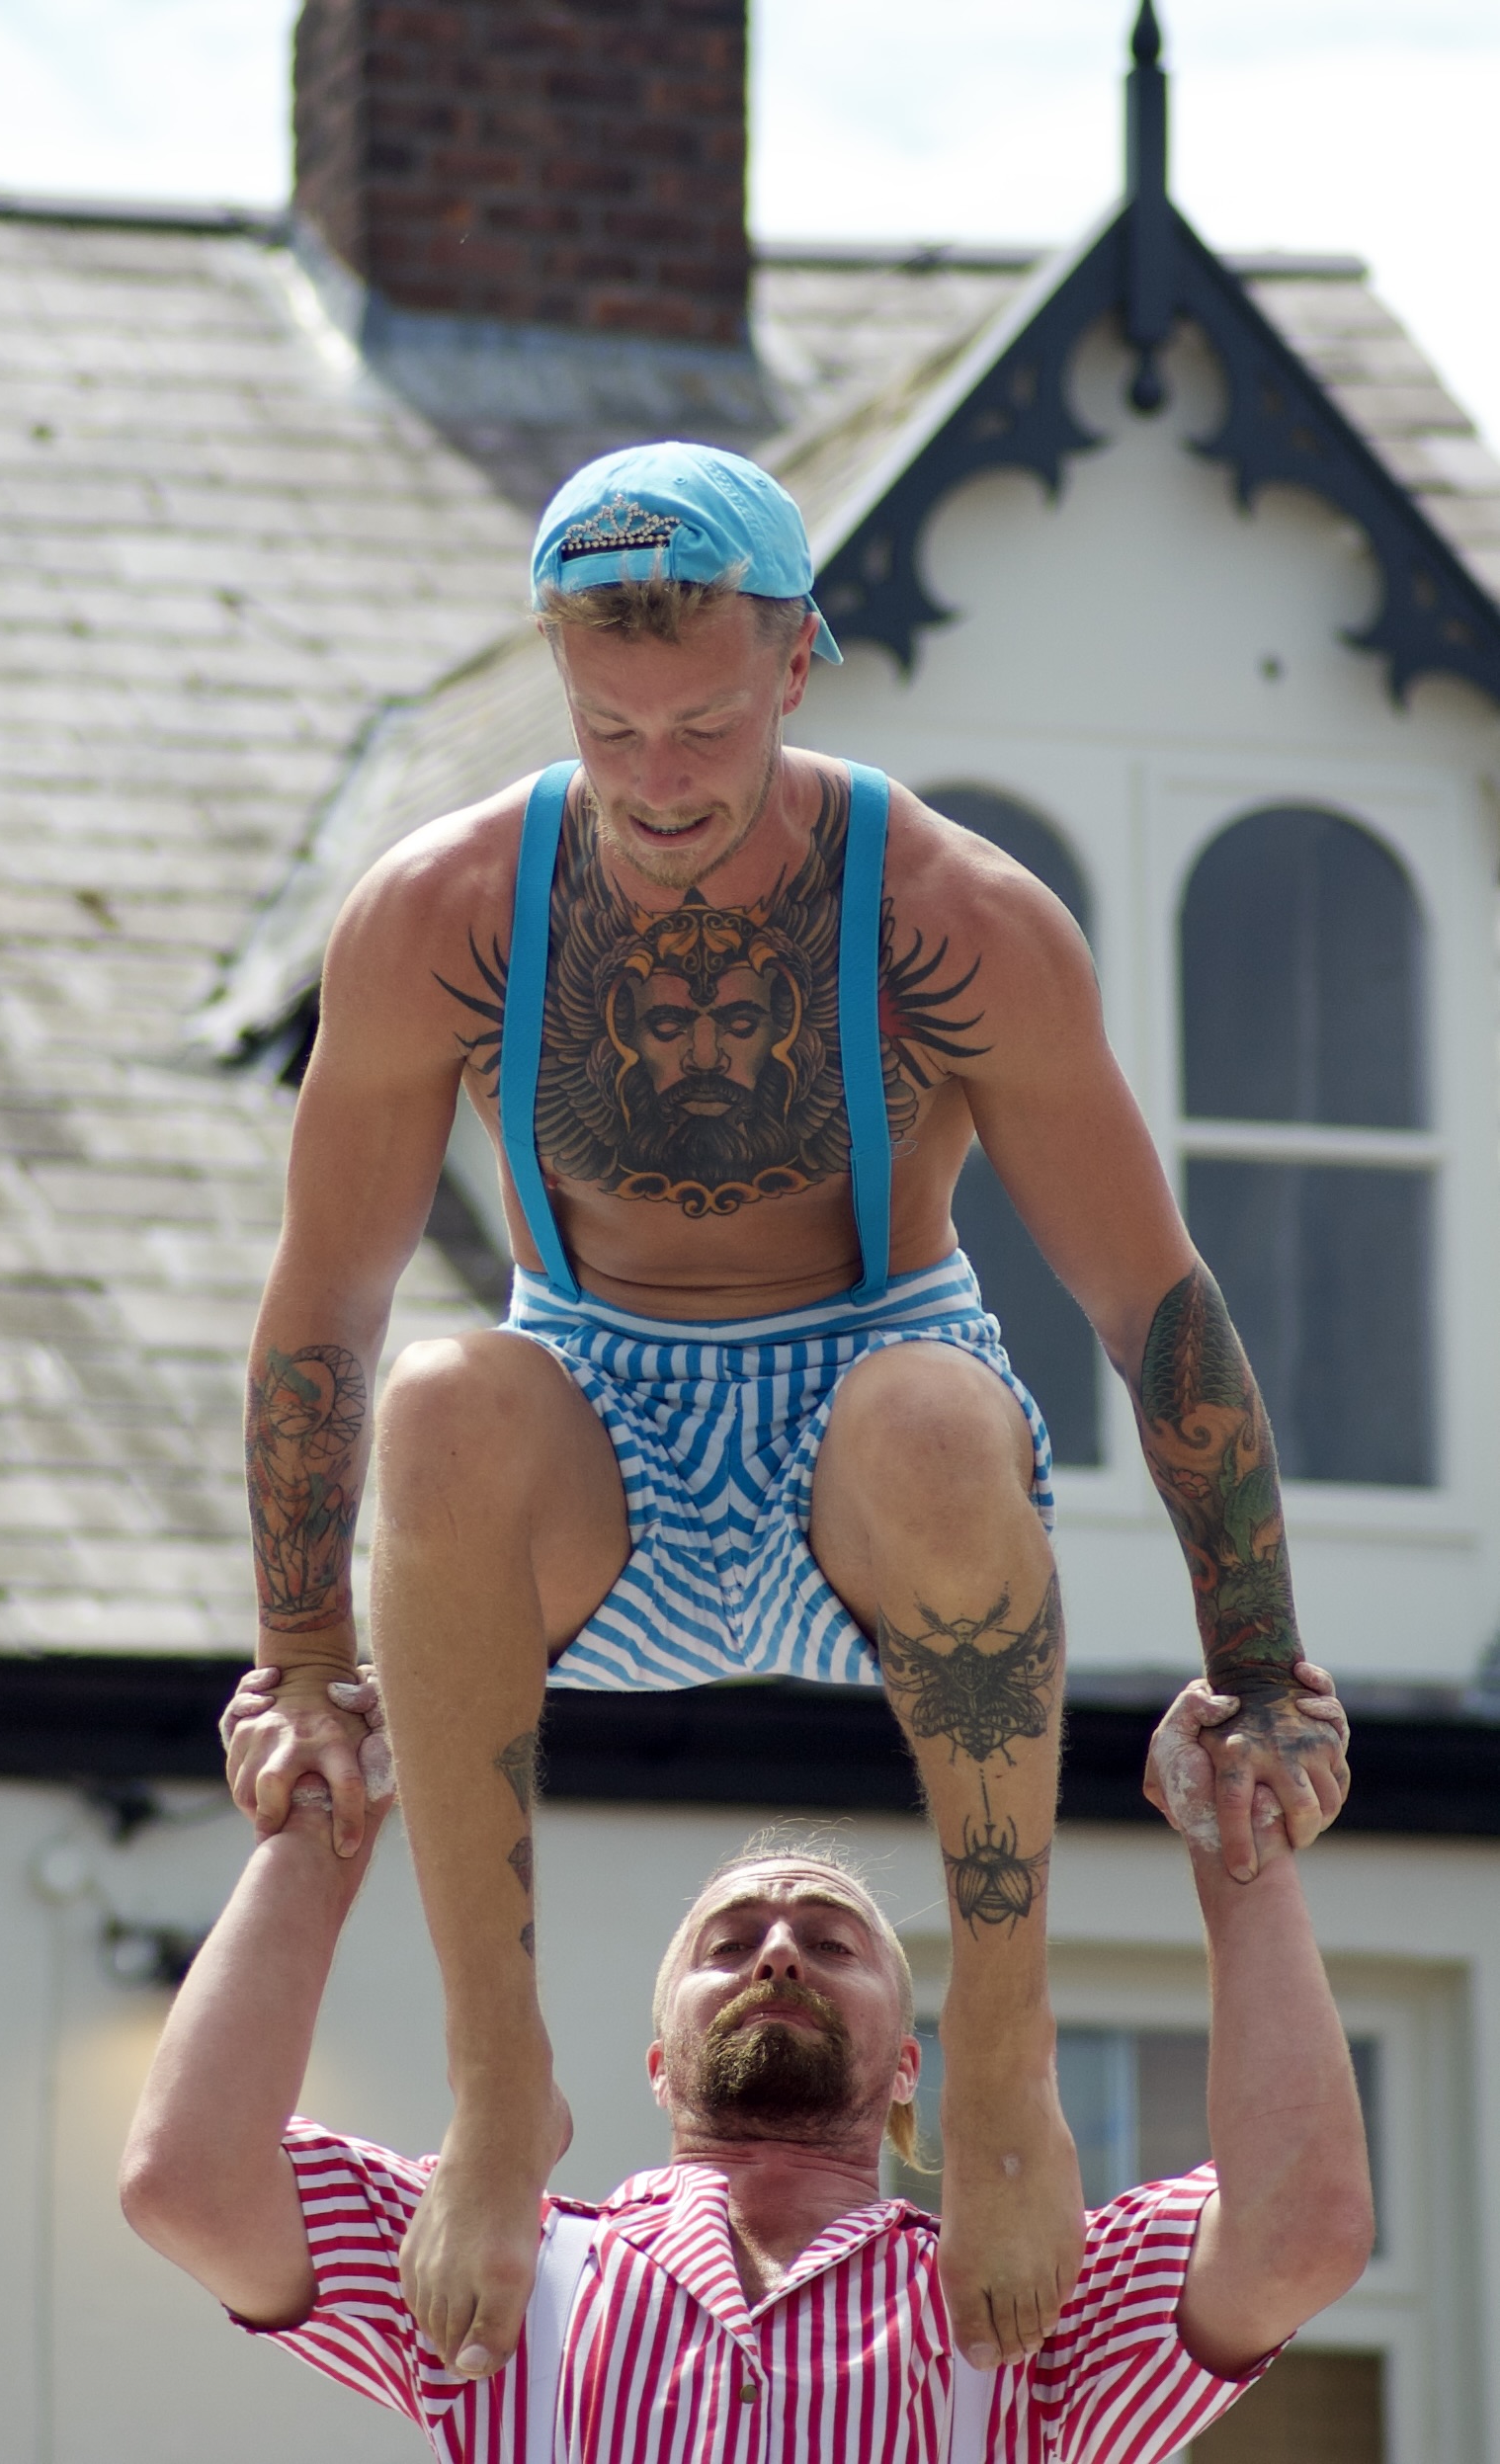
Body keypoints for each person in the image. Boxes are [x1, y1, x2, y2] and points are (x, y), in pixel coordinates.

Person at [223, 441, 1350, 2380]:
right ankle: (505, 2095)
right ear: (555, 685)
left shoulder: (953, 916)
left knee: (928, 1408)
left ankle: (993, 2077)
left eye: (701, 725)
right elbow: (320, 1303)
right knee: (435, 1390)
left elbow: (1147, 1295)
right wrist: (301, 1652)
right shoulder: (440, 916)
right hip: (596, 1444)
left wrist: (1260, 1660)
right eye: (609, 728)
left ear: (798, 662)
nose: (657, 778)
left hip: (872, 1439)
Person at [125, 1669, 1371, 2464]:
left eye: (829, 1942)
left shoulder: (1016, 2298)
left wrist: (1237, 1853)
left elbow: (1296, 2230)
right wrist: (318, 1824)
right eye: (729, 1944)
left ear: (905, 2069)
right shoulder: (501, 2261)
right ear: (662, 2061)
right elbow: (191, 2179)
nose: (777, 1951)